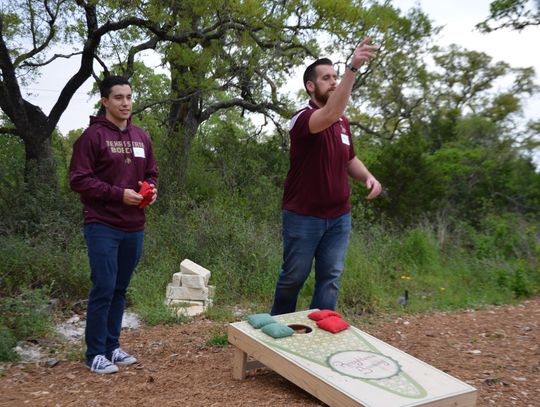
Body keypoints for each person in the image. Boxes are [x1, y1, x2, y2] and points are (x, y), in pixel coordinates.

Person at [271, 38, 382, 316]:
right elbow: (332, 111)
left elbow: (349, 159)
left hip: (339, 217)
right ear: (311, 86)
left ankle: (319, 335)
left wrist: (368, 177)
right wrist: (352, 69)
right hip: (303, 216)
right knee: (293, 277)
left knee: (329, 280)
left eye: (335, 76)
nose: (333, 82)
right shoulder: (303, 118)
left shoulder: (343, 123)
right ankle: (278, 332)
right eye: (326, 78)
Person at [69, 75, 158, 374]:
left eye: (129, 97)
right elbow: (78, 180)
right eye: (118, 97)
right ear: (105, 101)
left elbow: (152, 173)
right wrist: (119, 194)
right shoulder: (92, 137)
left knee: (120, 289)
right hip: (102, 224)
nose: (125, 103)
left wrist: (151, 190)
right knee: (104, 287)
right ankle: (94, 353)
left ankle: (112, 347)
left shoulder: (141, 137)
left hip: (134, 225)